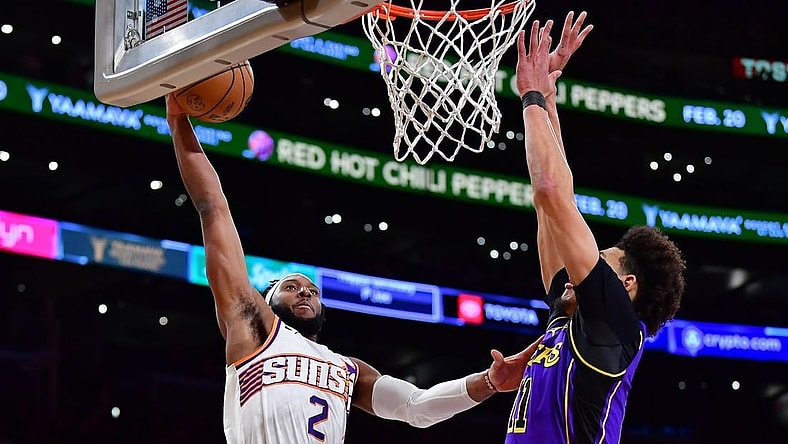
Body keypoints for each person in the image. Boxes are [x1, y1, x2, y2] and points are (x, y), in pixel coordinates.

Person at [164, 94, 543, 443]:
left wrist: (489, 382)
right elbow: (212, 205)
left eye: (312, 290)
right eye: (292, 287)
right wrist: (178, 121)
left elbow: (417, 407)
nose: (306, 292)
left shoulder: (347, 369)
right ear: (266, 298)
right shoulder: (253, 324)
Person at [505, 11, 687, 443]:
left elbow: (554, 192)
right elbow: (549, 206)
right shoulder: (573, 321)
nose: (575, 272)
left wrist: (529, 95)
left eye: (593, 265)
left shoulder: (614, 325)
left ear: (624, 286)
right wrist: (547, 99)